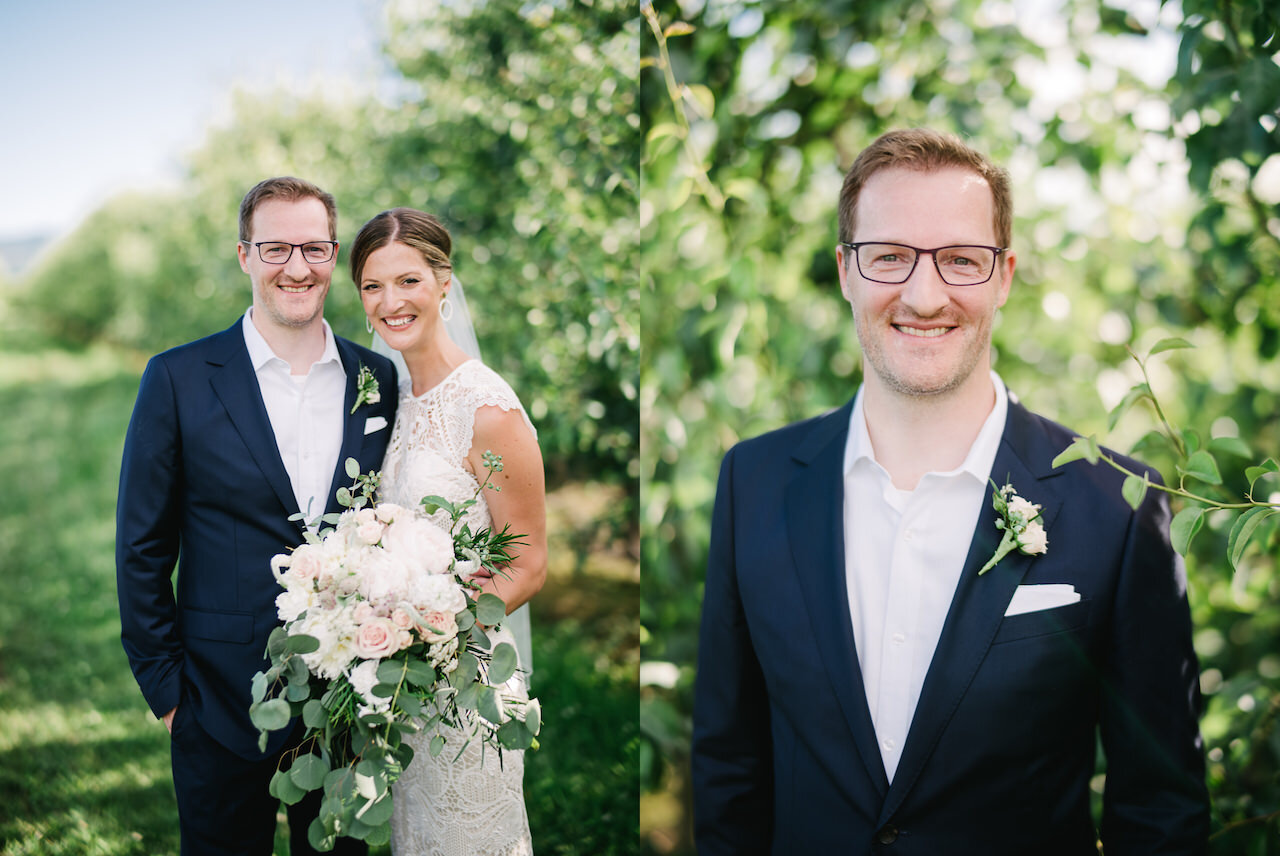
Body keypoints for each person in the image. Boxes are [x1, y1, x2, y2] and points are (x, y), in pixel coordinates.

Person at [691, 129, 1209, 854]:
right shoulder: (754, 483)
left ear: (1003, 275)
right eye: (890, 257)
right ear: (846, 271)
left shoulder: (1118, 507)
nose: (924, 295)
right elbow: (729, 772)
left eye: (961, 260)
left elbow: (1160, 809)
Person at [116, 177, 399, 854]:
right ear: (244, 255)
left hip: (347, 701)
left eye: (313, 248)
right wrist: (168, 691)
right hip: (214, 698)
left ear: (334, 256)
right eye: (275, 249)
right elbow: (142, 545)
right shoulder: (178, 378)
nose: (296, 268)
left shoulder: (378, 381)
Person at [350, 206, 548, 855]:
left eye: (407, 281)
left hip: (465, 687)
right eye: (373, 286)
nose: (390, 302)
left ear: (443, 282)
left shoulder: (486, 408)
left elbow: (527, 564)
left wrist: (432, 632)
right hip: (400, 692)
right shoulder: (385, 401)